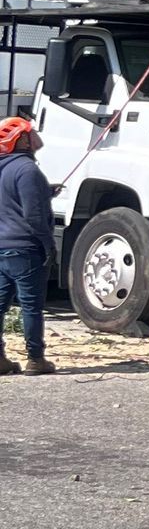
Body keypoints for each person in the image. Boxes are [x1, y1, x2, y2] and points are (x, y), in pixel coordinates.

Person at [0, 114, 57, 376]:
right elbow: (33, 216)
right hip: (25, 249)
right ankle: (36, 358)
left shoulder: (6, 168)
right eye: (30, 132)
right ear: (21, 139)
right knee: (31, 306)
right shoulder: (28, 169)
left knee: (1, 305)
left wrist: (46, 191)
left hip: (2, 247)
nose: (36, 136)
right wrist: (48, 244)